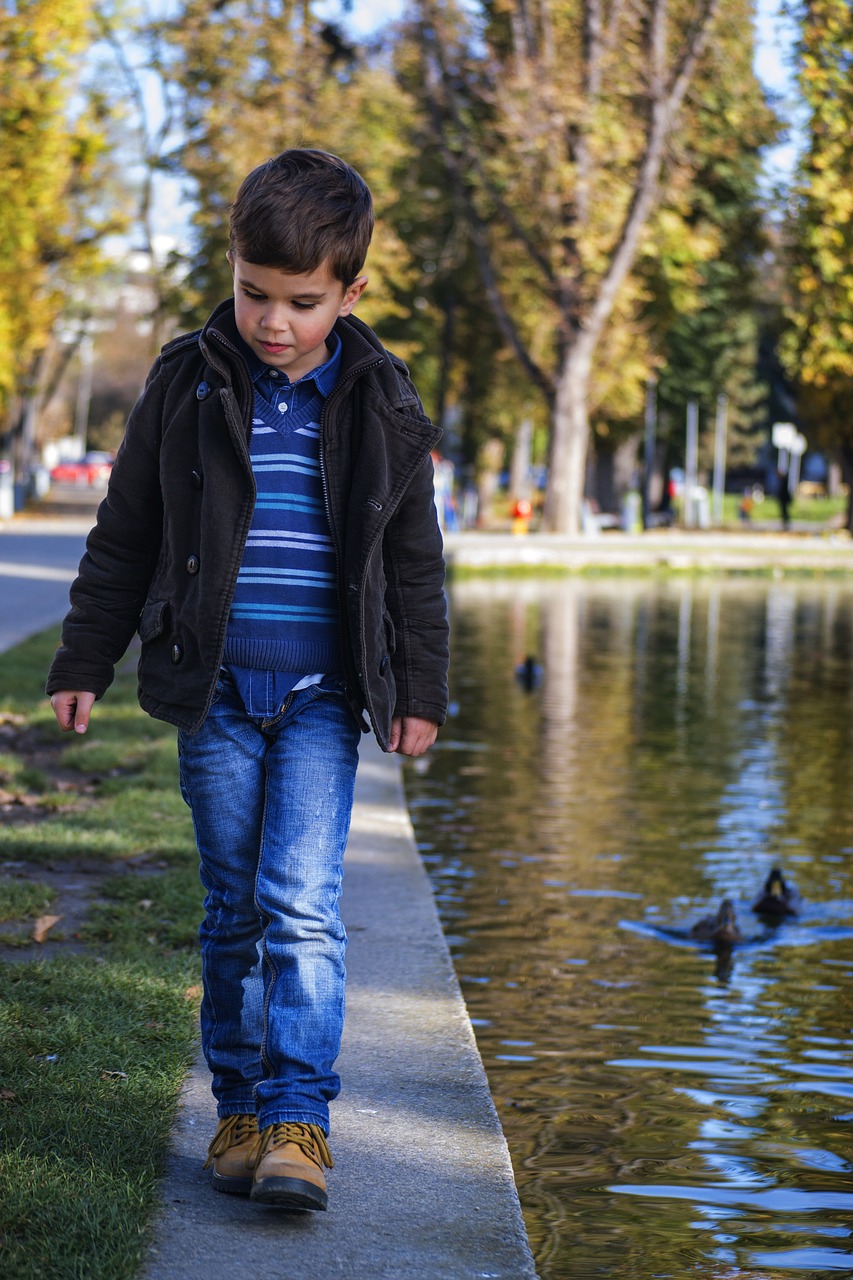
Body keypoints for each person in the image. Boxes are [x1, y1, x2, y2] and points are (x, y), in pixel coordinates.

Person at [46, 149, 449, 1213]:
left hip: (320, 696)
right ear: (231, 268)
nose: (273, 320)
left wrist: (420, 691)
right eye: (253, 292)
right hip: (213, 692)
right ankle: (238, 1106)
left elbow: (412, 561)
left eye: (301, 302)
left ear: (350, 292)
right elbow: (124, 533)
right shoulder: (185, 381)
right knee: (232, 910)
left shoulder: (378, 397)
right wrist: (84, 657)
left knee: (301, 908)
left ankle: (299, 1121)